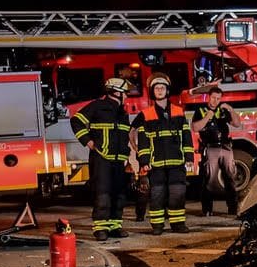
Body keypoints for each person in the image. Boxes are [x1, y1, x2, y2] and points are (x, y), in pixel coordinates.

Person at [70, 77, 134, 241]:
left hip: (120, 160)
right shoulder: (97, 106)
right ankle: (100, 228)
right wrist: (88, 141)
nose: (127, 96)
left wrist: (126, 157)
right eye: (125, 92)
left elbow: (123, 136)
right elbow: (76, 120)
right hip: (102, 158)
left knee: (119, 194)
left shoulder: (122, 112)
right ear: (116, 92)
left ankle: (115, 226)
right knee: (103, 193)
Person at [134, 74, 193, 235]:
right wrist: (144, 160)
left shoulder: (178, 112)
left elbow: (186, 136)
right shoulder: (146, 114)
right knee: (157, 194)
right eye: (156, 88)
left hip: (177, 162)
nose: (159, 90)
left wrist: (189, 158)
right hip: (156, 163)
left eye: (162, 88)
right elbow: (143, 139)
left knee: (177, 194)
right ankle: (158, 226)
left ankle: (178, 224)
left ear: (167, 91)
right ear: (153, 92)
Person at [191, 86, 241, 217]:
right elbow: (195, 127)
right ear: (208, 97)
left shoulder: (223, 111)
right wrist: (207, 117)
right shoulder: (201, 110)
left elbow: (237, 123)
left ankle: (232, 208)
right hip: (210, 148)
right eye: (213, 98)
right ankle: (207, 209)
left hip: (225, 147)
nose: (215, 101)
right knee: (210, 179)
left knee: (230, 178)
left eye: (218, 98)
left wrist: (231, 110)